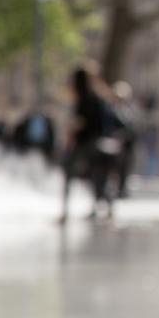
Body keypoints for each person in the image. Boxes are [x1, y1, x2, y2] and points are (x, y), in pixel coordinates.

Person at [60, 64, 118, 223]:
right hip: (96, 143)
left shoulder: (85, 98)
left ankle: (64, 211)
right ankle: (108, 208)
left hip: (86, 143)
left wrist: (70, 132)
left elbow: (82, 122)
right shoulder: (98, 97)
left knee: (70, 172)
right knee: (96, 177)